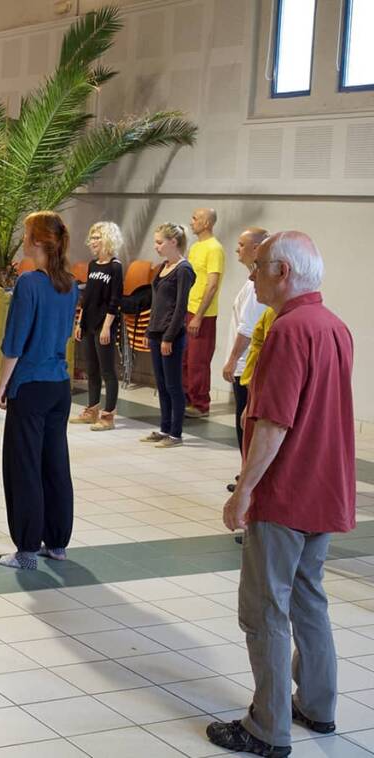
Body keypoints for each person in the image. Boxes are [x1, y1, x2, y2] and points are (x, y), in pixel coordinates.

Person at [206, 232, 355, 758]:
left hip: (287, 493)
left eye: (259, 268)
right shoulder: (334, 326)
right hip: (325, 490)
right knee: (309, 599)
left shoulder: (289, 331)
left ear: (284, 272)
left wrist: (242, 492)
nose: (250, 275)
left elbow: (273, 422)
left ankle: (267, 728)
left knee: (265, 610)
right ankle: (317, 705)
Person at [0, 212, 78, 570]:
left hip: (30, 385)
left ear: (39, 241)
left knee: (24, 466)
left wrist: (1, 387)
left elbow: (15, 343)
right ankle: (56, 542)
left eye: (26, 233)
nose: (23, 239)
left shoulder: (29, 283)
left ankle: (27, 549)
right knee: (55, 464)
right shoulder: (70, 284)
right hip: (59, 385)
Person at [143, 223, 196, 448]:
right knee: (162, 384)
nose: (156, 246)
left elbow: (180, 307)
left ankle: (176, 433)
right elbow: (157, 304)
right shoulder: (163, 266)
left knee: (173, 385)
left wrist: (168, 337)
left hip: (171, 335)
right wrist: (149, 330)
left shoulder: (183, 270)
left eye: (159, 242)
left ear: (173, 242)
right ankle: (164, 428)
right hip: (156, 331)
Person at [222, 227, 269, 477]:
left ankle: (248, 474)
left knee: (246, 423)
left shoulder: (256, 285)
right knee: (243, 423)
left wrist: (231, 360)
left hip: (246, 366)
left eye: (241, 244)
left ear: (256, 249)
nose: (237, 249)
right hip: (244, 364)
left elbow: (247, 329)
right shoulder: (251, 280)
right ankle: (246, 471)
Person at [72, 221, 125, 431]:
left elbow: (115, 300)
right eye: (92, 238)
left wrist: (106, 327)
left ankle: (108, 415)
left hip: (105, 324)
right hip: (88, 323)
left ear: (108, 239)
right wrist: (79, 321)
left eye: (97, 238)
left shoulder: (115, 266)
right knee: (91, 369)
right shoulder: (93, 265)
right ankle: (92, 409)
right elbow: (87, 297)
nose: (93, 242)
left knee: (107, 371)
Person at [183, 207, 225, 417]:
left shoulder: (214, 248)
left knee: (198, 360)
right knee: (185, 358)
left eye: (195, 218)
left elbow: (212, 285)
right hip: (188, 308)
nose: (191, 222)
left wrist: (199, 315)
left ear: (207, 223)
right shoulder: (195, 247)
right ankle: (186, 399)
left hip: (203, 314)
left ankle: (200, 404)